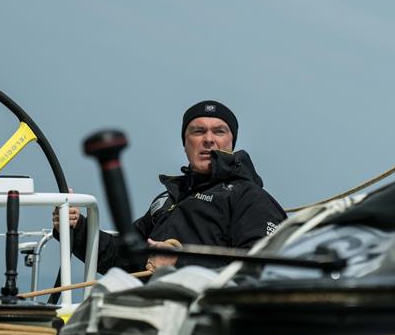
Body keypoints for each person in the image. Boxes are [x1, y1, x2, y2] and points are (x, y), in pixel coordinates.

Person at [53, 100, 286, 272]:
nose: (208, 139)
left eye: (219, 131)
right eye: (197, 131)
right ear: (185, 144)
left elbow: (266, 268)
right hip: (146, 308)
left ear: (231, 142)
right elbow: (121, 255)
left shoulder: (249, 197)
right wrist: (75, 227)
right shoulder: (167, 200)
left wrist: (178, 263)